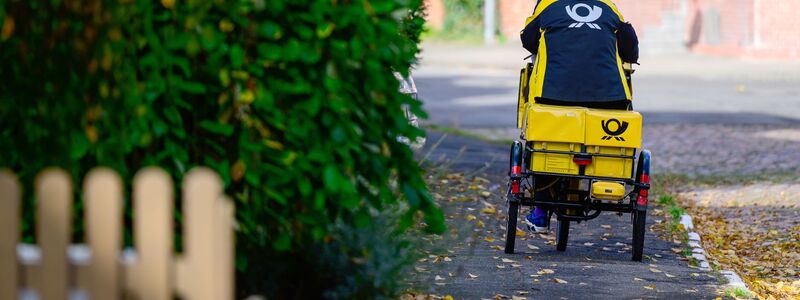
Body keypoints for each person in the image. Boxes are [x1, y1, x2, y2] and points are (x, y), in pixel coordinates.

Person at [521, 0, 639, 233]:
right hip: (610, 97)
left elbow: (528, 41)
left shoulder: (547, 5)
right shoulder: (609, 7)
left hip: (553, 94)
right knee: (609, 145)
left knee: (543, 143)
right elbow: (630, 47)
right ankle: (610, 183)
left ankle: (541, 212)